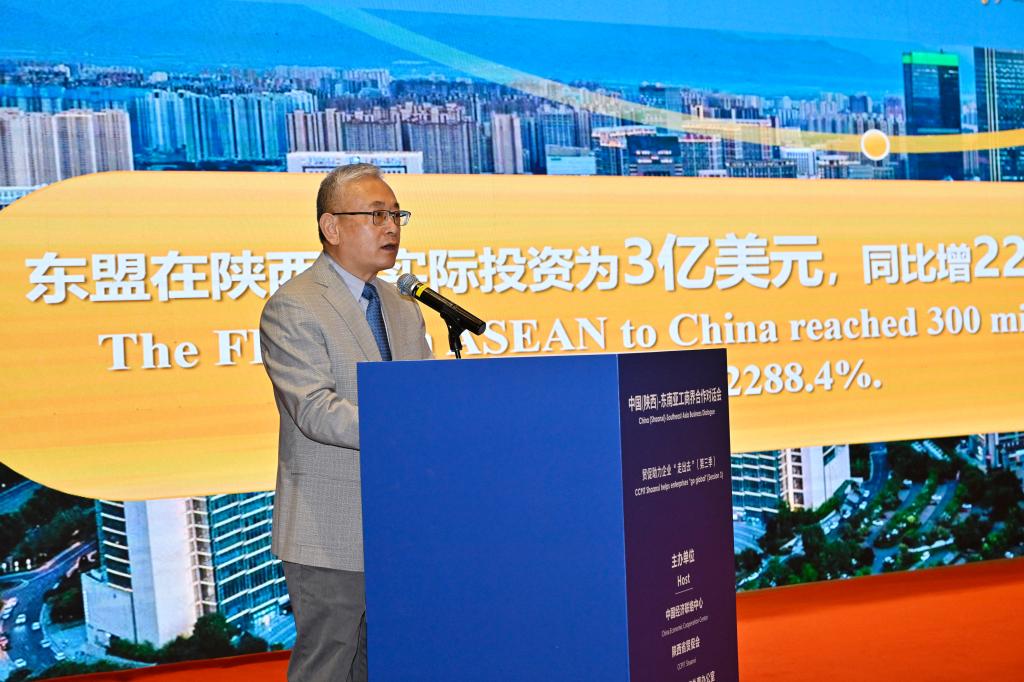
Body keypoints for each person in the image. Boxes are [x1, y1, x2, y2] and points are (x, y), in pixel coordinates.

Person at [259, 163, 433, 682]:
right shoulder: (294, 306)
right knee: (329, 666)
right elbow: (314, 409)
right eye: (376, 215)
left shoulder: (402, 305)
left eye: (396, 215)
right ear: (331, 226)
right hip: (329, 527)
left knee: (389, 663)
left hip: (400, 523)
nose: (391, 227)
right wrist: (405, 429)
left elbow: (423, 396)